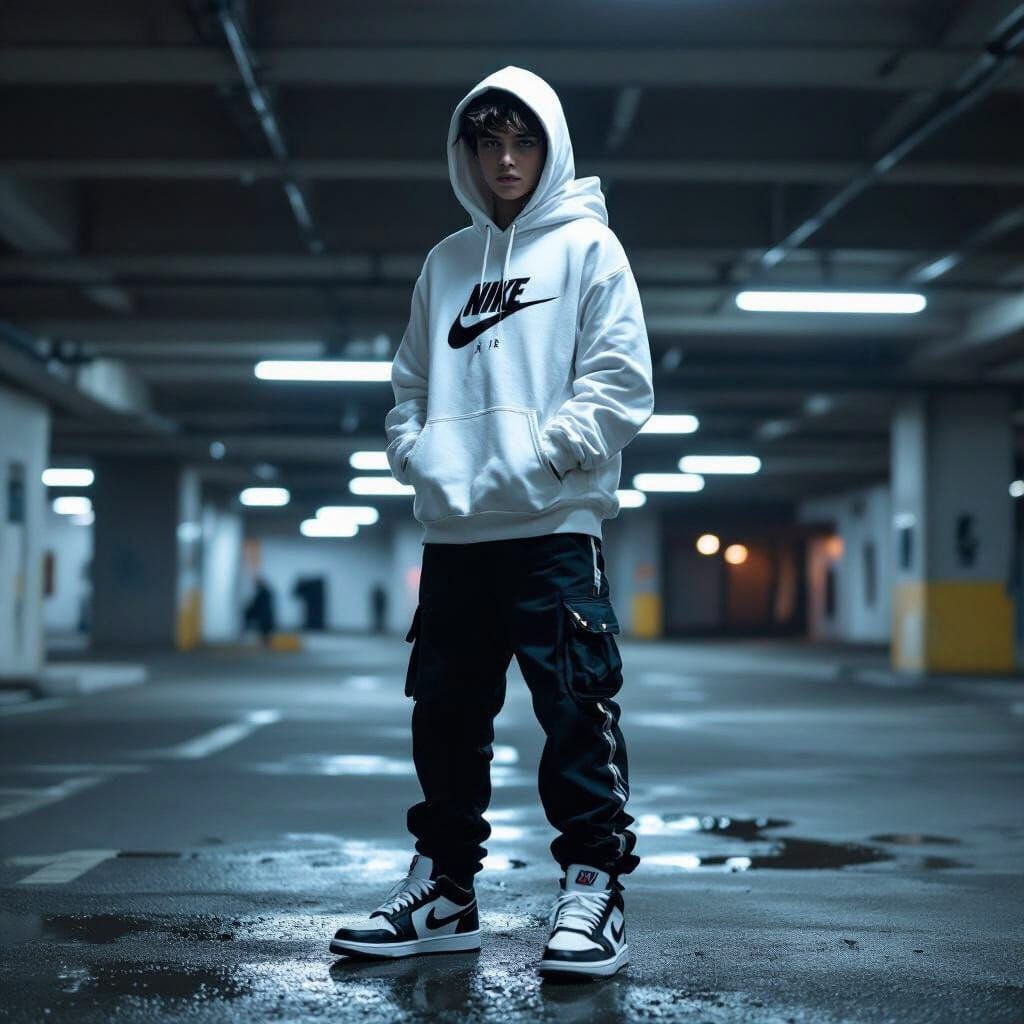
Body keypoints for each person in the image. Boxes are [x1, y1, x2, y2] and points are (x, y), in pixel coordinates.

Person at [330, 66, 654, 979]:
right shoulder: (445, 264)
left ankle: (594, 890)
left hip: (554, 530)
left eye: (524, 143)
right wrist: (423, 460)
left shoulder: (591, 249)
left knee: (574, 719)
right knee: (445, 721)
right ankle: (445, 893)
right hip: (456, 538)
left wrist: (544, 458)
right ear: (467, 152)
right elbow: (408, 392)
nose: (507, 160)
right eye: (489, 143)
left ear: (548, 148)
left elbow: (622, 383)